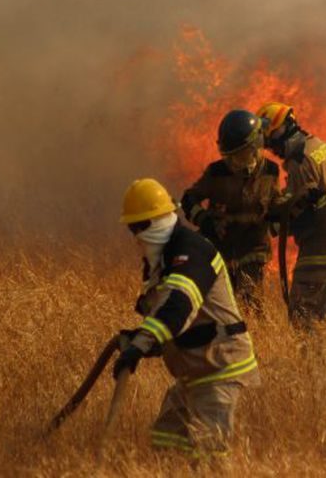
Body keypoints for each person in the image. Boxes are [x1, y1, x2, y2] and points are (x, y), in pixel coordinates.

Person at [113, 178, 260, 456]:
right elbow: (166, 318)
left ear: (154, 222)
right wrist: (138, 340)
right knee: (166, 443)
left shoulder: (191, 252)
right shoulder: (163, 259)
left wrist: (141, 345)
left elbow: (178, 308)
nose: (135, 237)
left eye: (138, 227)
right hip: (194, 371)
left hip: (220, 369)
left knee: (209, 456)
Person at [257, 103, 326, 324]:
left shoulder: (300, 160)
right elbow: (312, 193)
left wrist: (274, 225)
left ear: (282, 131)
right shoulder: (321, 146)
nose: (272, 150)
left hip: (324, 243)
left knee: (301, 312)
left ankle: (316, 358)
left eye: (271, 142)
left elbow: (306, 211)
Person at [180, 110, 279, 312]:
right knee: (219, 307)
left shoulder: (271, 171)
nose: (233, 162)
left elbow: (275, 205)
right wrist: (204, 220)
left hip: (254, 252)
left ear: (254, 147)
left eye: (238, 155)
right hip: (220, 252)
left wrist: (284, 213)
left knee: (251, 306)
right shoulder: (216, 172)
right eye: (229, 156)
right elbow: (188, 199)